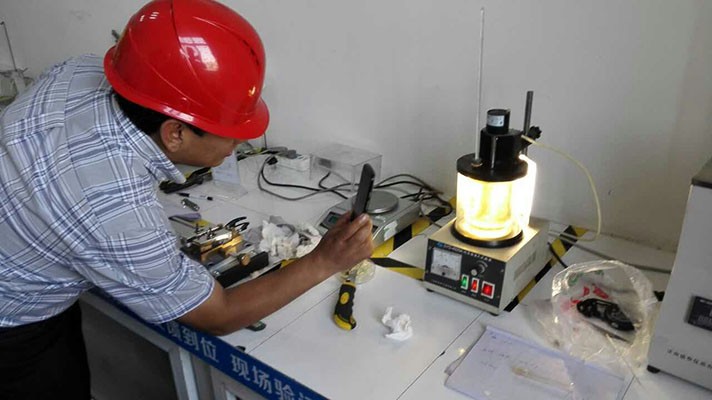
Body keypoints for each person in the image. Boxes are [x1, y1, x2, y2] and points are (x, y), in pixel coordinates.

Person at [0, 0, 373, 399]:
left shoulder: (78, 71)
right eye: (230, 134)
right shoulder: (114, 212)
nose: (237, 144)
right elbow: (218, 315)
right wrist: (324, 261)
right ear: (175, 133)